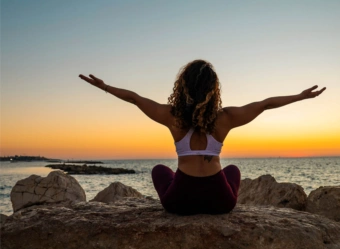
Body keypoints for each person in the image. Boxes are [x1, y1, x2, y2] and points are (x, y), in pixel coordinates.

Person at [79, 59, 326, 215]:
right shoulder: (226, 118)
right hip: (220, 202)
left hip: (179, 202)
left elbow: (134, 98)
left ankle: (181, 181)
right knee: (233, 171)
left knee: (159, 170)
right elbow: (265, 104)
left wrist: (104, 86)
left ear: (182, 87)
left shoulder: (172, 117)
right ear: (213, 90)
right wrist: (300, 96)